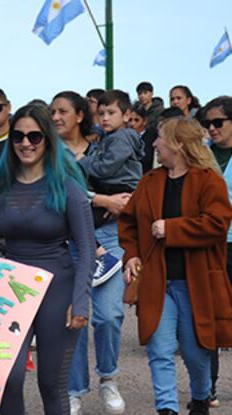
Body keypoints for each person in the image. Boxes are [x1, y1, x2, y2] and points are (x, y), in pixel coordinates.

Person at [0, 103, 95, 415]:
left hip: (58, 288)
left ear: (47, 140)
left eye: (34, 136)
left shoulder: (67, 186)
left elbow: (87, 248)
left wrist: (81, 300)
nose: (26, 143)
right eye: (19, 136)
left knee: (50, 381)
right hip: (11, 291)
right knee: (6, 377)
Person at [119, 117, 232, 415]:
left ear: (179, 144)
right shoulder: (150, 181)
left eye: (160, 139)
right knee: (159, 348)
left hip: (196, 283)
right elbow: (128, 222)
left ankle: (200, 398)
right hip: (158, 282)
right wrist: (131, 255)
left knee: (196, 352)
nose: (154, 144)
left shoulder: (208, 180)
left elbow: (218, 224)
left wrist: (172, 228)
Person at [51, 90, 132, 415]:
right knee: (73, 319)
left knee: (109, 315)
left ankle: (108, 378)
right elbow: (56, 190)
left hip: (108, 236)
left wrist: (128, 199)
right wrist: (103, 200)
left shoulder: (105, 144)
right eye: (53, 112)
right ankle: (74, 391)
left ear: (80, 115)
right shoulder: (50, 152)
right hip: (67, 239)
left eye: (62, 111)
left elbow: (134, 176)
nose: (56, 117)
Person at [79, 90, 144, 281]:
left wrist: (83, 160)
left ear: (126, 115)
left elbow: (105, 169)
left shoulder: (121, 138)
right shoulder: (112, 136)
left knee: (79, 223)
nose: (105, 118)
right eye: (101, 114)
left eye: (111, 113)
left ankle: (104, 258)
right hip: (112, 189)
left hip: (119, 190)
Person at [202, 95, 232, 405]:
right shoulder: (202, 154)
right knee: (209, 314)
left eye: (218, 122)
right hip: (210, 244)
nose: (211, 128)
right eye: (207, 123)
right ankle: (207, 386)